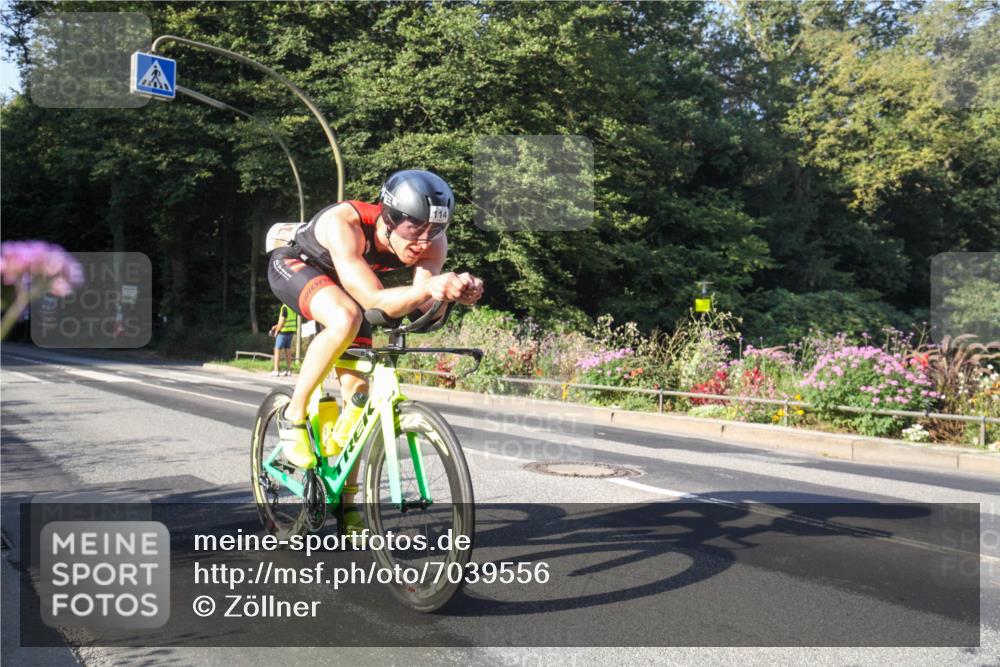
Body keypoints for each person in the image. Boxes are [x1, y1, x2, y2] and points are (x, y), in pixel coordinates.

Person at [267, 169, 484, 530]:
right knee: (345, 316)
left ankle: (348, 505)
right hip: (297, 267)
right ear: (389, 218)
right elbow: (371, 299)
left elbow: (418, 311)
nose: (424, 241)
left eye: (434, 230)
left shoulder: (432, 242)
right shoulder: (345, 222)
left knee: (361, 398)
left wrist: (452, 294)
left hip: (350, 289)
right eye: (415, 230)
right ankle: (295, 413)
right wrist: (432, 289)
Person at [268, 304, 297, 376]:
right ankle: (289, 370)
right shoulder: (292, 306)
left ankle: (276, 370)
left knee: (277, 350)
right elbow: (288, 320)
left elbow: (282, 321)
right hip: (291, 331)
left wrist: (276, 331)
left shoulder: (284, 307)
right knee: (288, 350)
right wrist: (275, 326)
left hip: (283, 332)